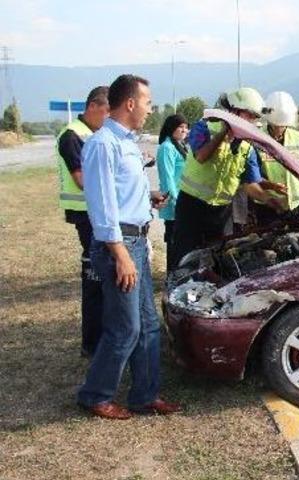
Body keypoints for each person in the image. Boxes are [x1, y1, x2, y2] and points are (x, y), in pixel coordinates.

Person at [77, 74, 180, 420]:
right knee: (125, 328)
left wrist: (147, 199)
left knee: (149, 325)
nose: (152, 109)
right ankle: (95, 395)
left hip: (135, 239)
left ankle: (145, 395)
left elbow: (120, 194)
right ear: (131, 103)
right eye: (148, 102)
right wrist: (121, 256)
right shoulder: (104, 144)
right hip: (118, 245)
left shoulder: (126, 142)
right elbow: (103, 206)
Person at [168, 87, 282, 270]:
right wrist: (223, 134)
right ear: (236, 111)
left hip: (221, 213)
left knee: (218, 260)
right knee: (185, 258)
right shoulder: (204, 127)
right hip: (192, 206)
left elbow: (250, 184)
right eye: (250, 115)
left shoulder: (247, 146)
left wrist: (268, 199)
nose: (253, 121)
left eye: (255, 118)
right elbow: (201, 157)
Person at [56, 85, 110, 358]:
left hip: (96, 215)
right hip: (87, 216)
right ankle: (92, 343)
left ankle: (101, 337)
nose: (109, 117)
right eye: (107, 111)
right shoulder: (73, 136)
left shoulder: (92, 133)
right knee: (94, 281)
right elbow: (81, 180)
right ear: (93, 107)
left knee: (101, 281)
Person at [254, 91, 299, 226]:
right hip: (268, 206)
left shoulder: (296, 137)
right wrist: (272, 187)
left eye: (282, 125)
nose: (279, 129)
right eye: (276, 125)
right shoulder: (256, 139)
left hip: (296, 205)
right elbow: (252, 176)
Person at [155, 113, 188, 263]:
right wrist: (177, 202)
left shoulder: (180, 146)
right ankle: (172, 277)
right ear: (171, 128)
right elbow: (167, 178)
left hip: (182, 201)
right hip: (174, 203)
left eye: (186, 127)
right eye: (180, 127)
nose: (184, 130)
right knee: (174, 243)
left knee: (182, 243)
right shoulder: (166, 147)